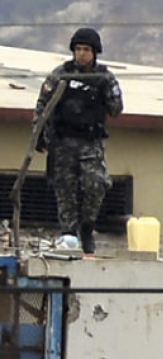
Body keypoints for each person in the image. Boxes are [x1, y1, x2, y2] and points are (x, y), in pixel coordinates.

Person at [33, 27, 123, 256]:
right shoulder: (61, 73)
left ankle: (87, 226)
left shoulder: (103, 77)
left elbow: (116, 109)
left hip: (90, 142)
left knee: (97, 183)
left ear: (95, 52)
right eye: (78, 49)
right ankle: (69, 233)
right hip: (63, 141)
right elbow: (43, 104)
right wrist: (39, 133)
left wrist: (106, 92)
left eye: (86, 50)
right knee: (65, 189)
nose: (82, 54)